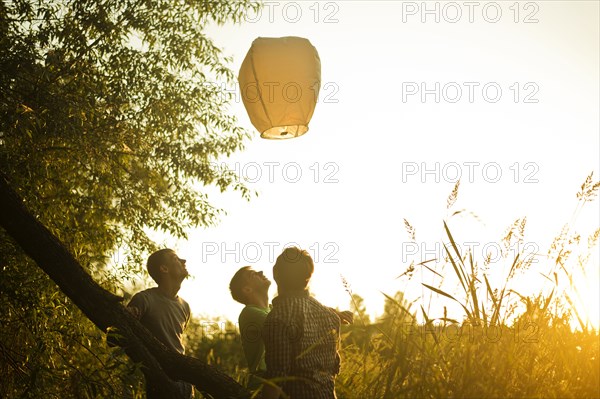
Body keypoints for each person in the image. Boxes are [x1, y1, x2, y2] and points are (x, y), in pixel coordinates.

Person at [261, 247, 343, 399]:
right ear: (308, 277)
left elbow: (276, 379)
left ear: (275, 273)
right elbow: (332, 372)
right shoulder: (331, 317)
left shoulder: (278, 319)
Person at [127, 248, 193, 399]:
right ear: (164, 269)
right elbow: (120, 334)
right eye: (176, 258)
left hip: (185, 384)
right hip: (160, 382)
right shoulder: (144, 299)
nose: (183, 261)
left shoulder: (185, 306)